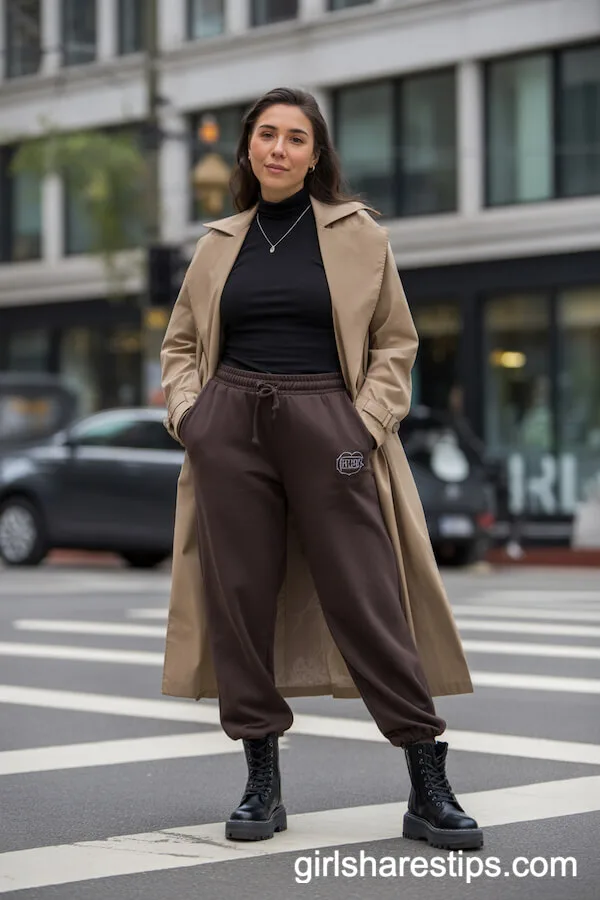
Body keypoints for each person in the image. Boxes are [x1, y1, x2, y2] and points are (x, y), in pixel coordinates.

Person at [160, 87, 482, 851]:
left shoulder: (358, 235)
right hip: (230, 426)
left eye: (295, 138)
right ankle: (261, 781)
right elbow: (178, 347)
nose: (278, 149)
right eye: (266, 135)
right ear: (247, 150)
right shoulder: (217, 243)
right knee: (239, 605)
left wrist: (362, 428)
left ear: (315, 154)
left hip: (327, 423)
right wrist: (193, 418)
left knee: (368, 597)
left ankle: (427, 778)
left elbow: (396, 343)